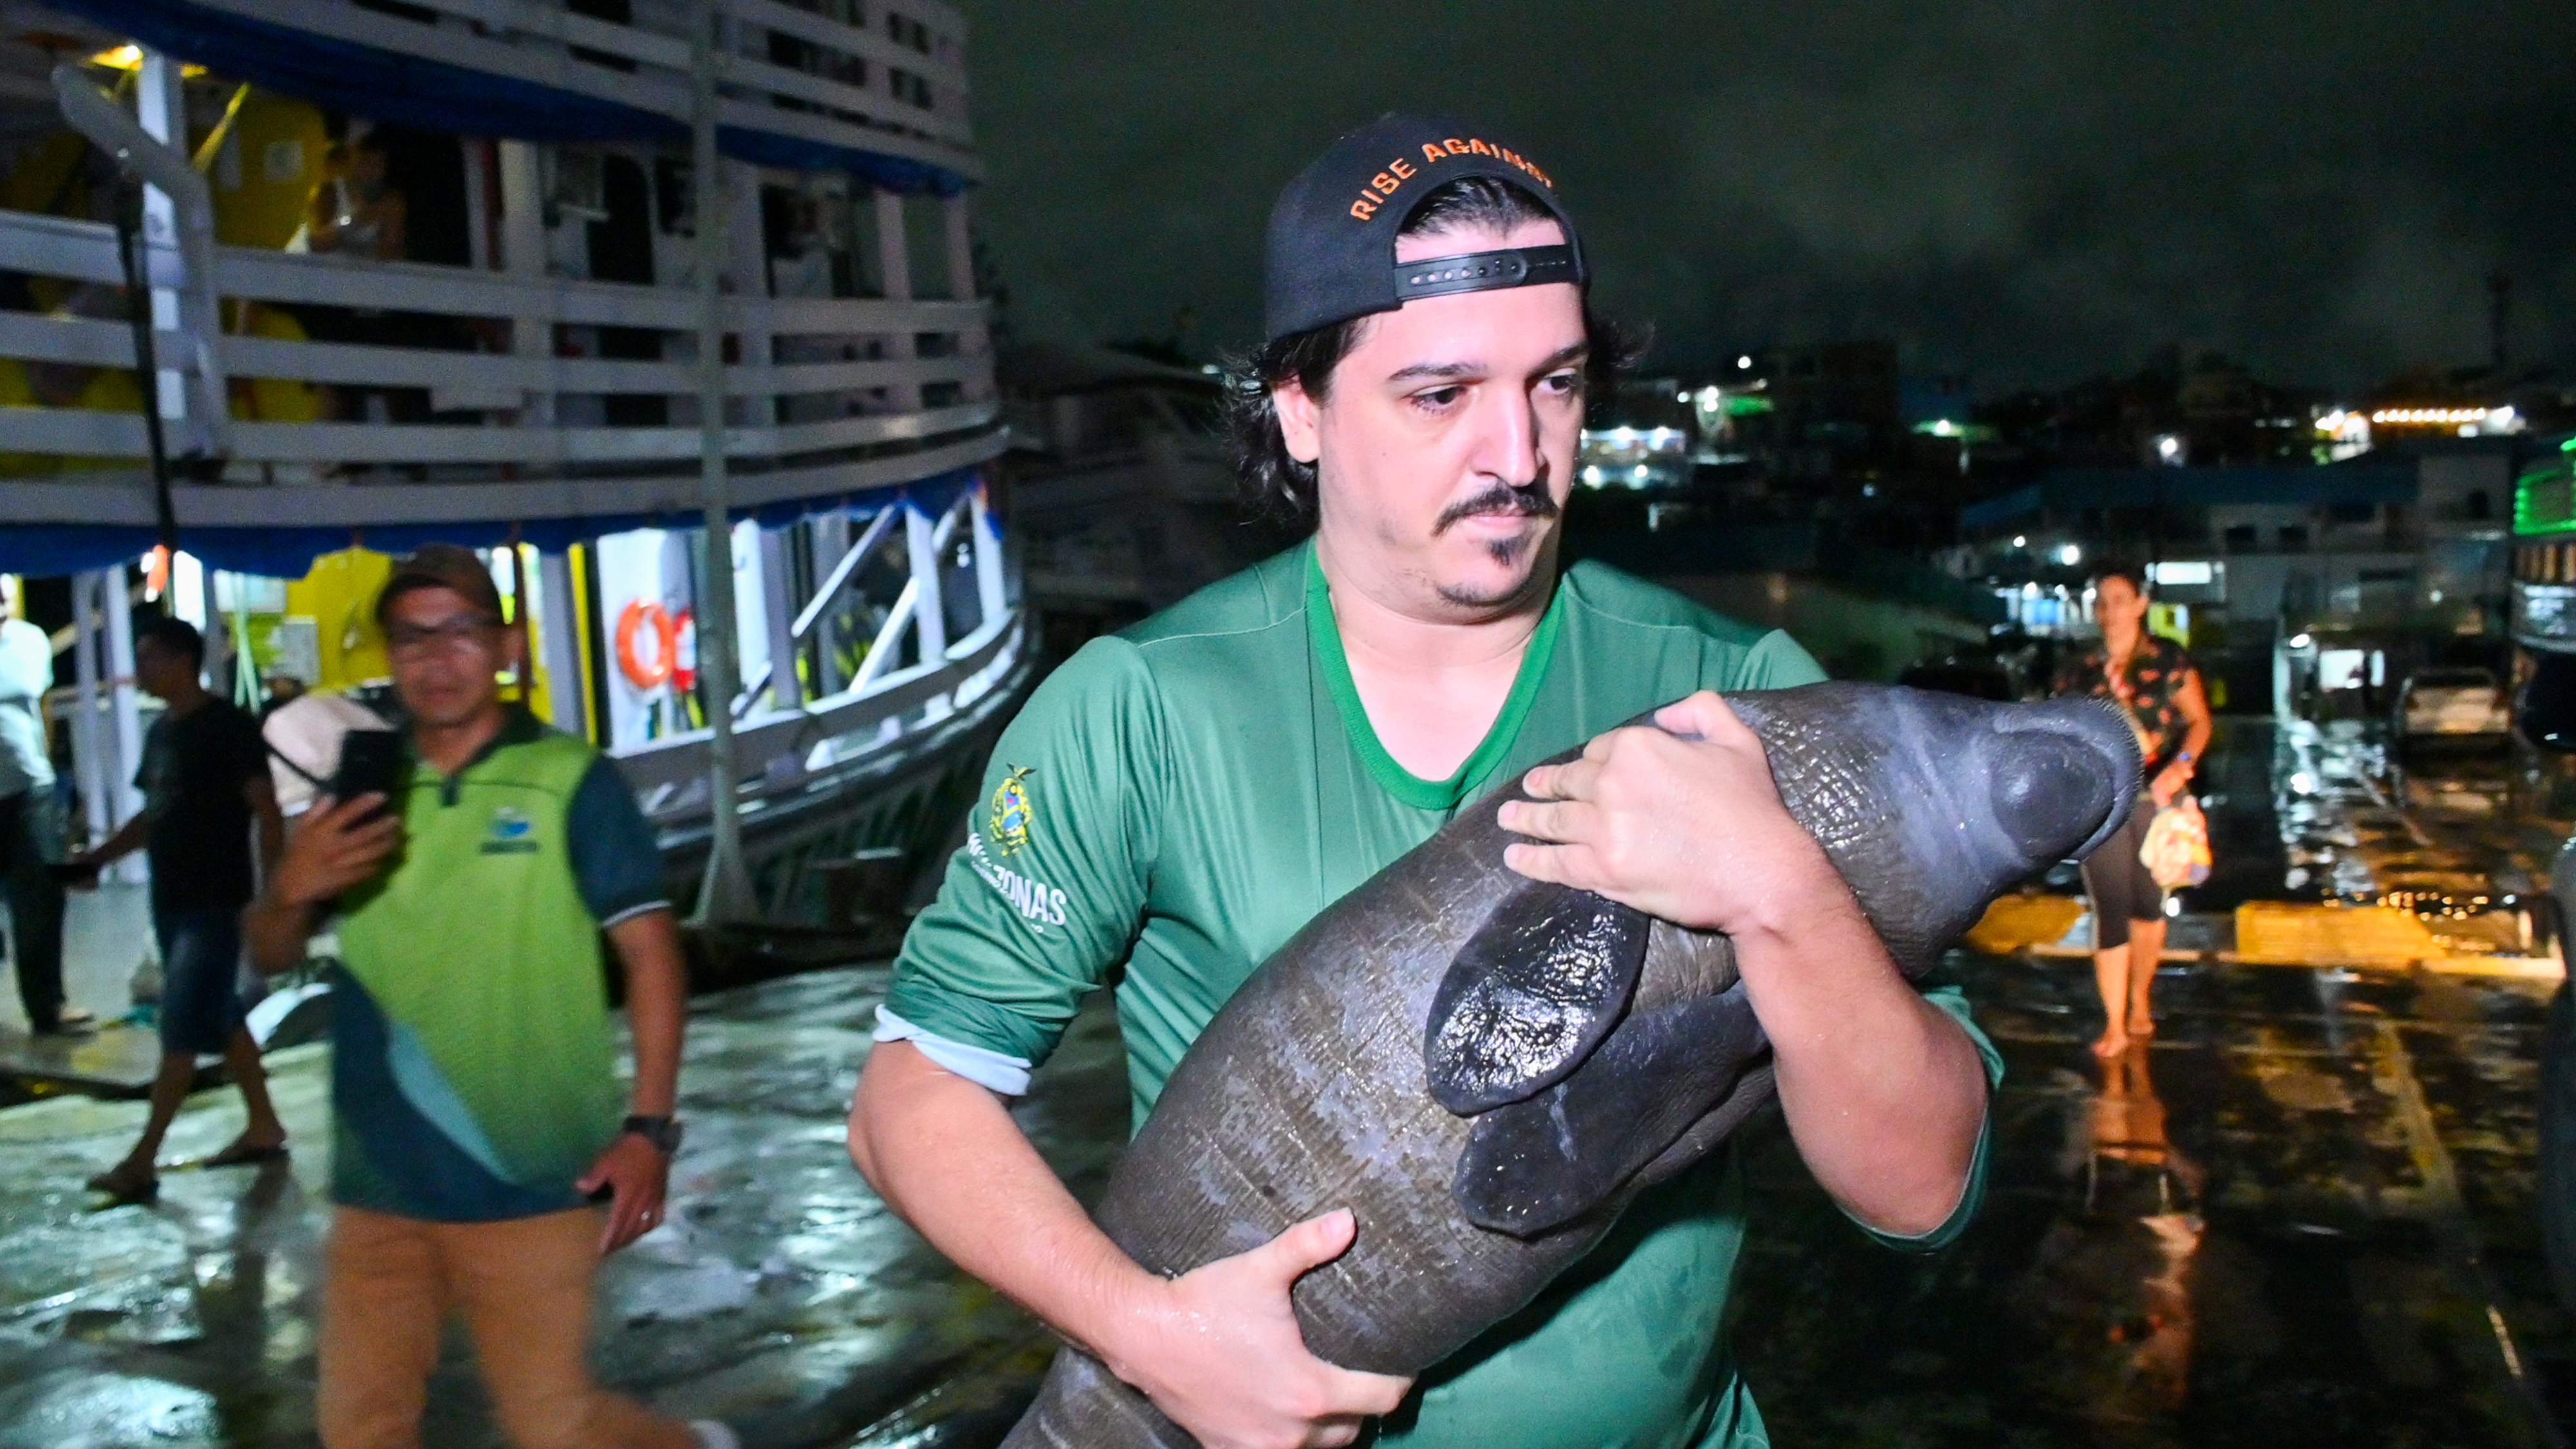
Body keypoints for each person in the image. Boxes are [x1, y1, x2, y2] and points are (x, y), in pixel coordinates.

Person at [847, 115, 2000, 1449]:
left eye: (1554, 386)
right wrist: (1148, 1339)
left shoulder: (1727, 697)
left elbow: (1920, 1190)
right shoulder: (1143, 710)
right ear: (1300, 408)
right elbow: (912, 1099)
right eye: (1440, 395)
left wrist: (1782, 895)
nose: (1515, 455)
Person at [241, 544, 735, 1449]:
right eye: (412, 636)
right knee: (359, 1428)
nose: (437, 657)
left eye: (462, 631)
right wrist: (288, 889)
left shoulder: (570, 780)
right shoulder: (364, 782)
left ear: (508, 645)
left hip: (531, 1178)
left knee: (556, 1426)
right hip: (378, 1181)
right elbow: (270, 955)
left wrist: (650, 1130)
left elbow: (652, 954)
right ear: (389, 654)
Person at [75, 615, 289, 1202]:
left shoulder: (226, 726)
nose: (139, 670)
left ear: (176, 661)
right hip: (172, 900)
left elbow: (265, 809)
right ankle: (263, 1124)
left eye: (147, 659)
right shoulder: (163, 733)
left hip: (215, 902)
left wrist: (272, 895)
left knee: (181, 1027)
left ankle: (143, 1158)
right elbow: (156, 815)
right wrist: (98, 859)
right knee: (218, 1014)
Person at [2056, 562, 2213, 1058]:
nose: (2109, 611)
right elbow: (2060, 733)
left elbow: (2200, 722)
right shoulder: (2078, 671)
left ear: (2142, 606)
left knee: (2148, 907)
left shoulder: (2168, 661)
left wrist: (2181, 766)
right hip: (2101, 808)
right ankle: (2114, 1024)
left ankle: (2140, 1001)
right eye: (2102, 602)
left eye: (2120, 600)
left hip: (2158, 805)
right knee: (2110, 911)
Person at [0, 580, 84, 1036]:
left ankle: (48, 1006)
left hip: (32, 789)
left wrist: (49, 770)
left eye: (5, 592)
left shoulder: (31, 641)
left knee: (41, 899)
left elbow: (43, 708)